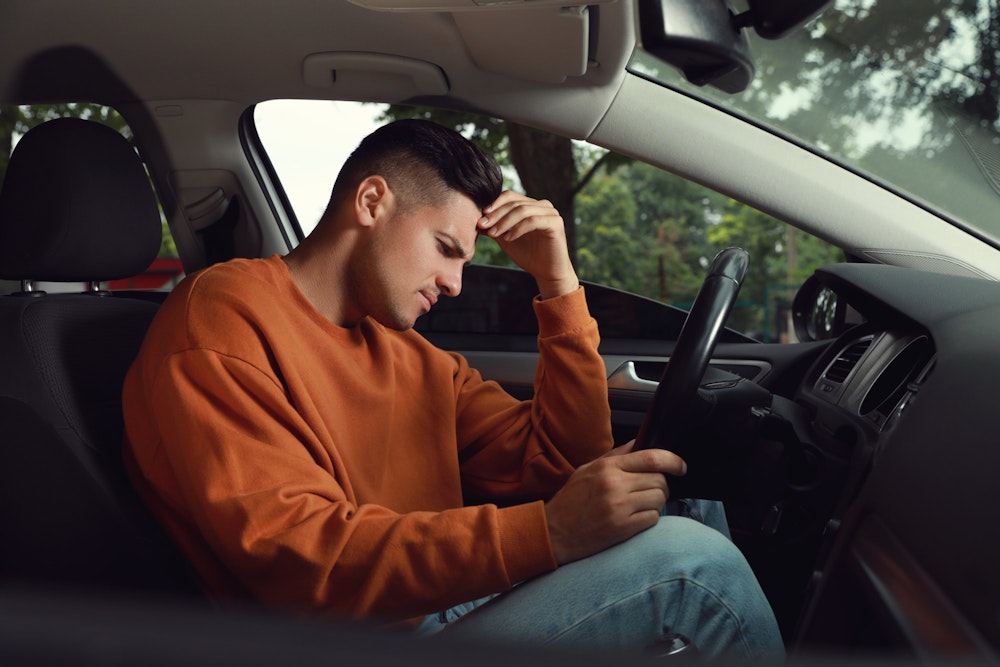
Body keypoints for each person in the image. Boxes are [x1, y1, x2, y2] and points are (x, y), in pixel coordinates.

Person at [122, 119, 783, 660]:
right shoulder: (219, 318)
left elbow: (562, 464)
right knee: (692, 562)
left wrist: (556, 284)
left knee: (687, 503)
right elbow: (305, 562)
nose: (456, 283)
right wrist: (549, 532)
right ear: (372, 202)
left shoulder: (405, 350)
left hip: (437, 608)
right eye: (445, 247)